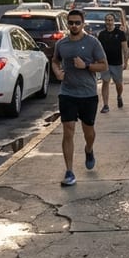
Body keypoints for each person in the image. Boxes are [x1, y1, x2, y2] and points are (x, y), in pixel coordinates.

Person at [51, 10, 108, 186]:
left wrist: (86, 66)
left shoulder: (92, 43)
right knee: (68, 130)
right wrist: (57, 72)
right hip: (67, 93)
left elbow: (104, 65)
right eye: (71, 23)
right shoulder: (62, 44)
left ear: (83, 24)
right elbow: (55, 60)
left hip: (88, 94)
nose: (74, 26)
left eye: (77, 23)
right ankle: (69, 171)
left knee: (88, 131)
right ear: (67, 24)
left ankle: (89, 149)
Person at [96, 13, 127, 113]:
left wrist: (126, 62)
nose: (109, 22)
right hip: (105, 63)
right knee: (105, 82)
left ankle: (119, 96)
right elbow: (98, 49)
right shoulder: (101, 34)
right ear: (105, 22)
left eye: (111, 20)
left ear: (114, 21)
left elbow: (125, 49)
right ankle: (105, 105)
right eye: (107, 20)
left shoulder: (120, 33)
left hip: (117, 62)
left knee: (118, 83)